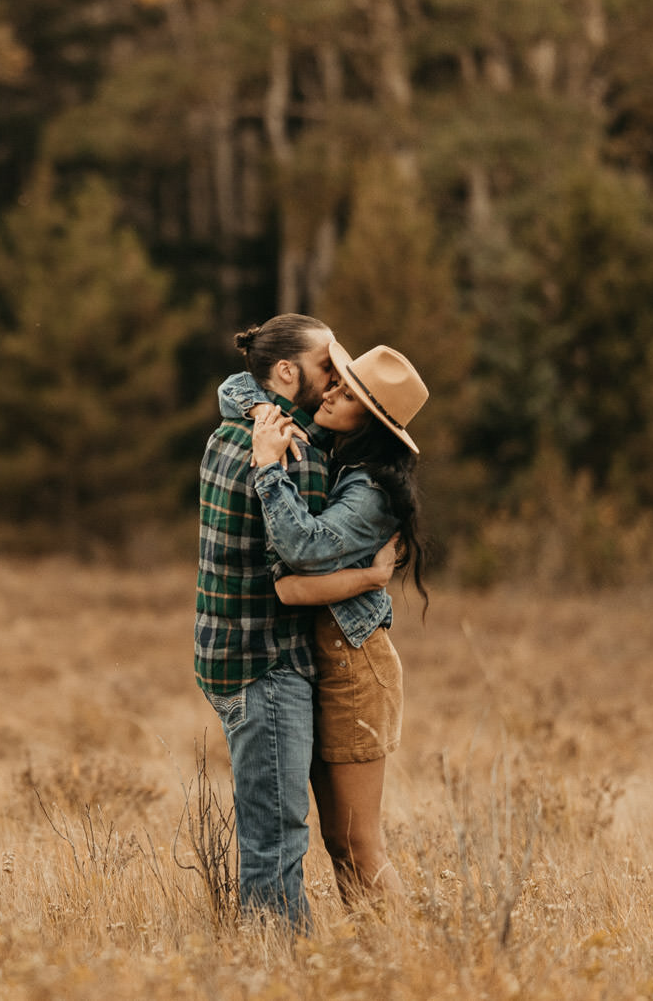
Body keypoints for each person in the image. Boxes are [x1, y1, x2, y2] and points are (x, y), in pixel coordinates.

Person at [194, 315, 398, 932]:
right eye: (328, 368)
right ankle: (277, 967)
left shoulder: (227, 430)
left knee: (295, 832)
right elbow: (295, 567)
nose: (337, 380)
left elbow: (237, 386)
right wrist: (370, 577)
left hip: (226, 658)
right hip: (271, 663)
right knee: (278, 839)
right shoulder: (294, 455)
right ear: (287, 373)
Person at [222, 340, 429, 910]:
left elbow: (299, 551)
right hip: (321, 664)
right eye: (336, 379)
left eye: (350, 391)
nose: (332, 390)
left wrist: (268, 465)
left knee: (360, 842)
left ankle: (412, 965)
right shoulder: (336, 461)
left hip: (357, 670)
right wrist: (262, 412)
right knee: (337, 840)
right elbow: (238, 389)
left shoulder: (370, 491)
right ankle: (373, 966)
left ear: (376, 421)